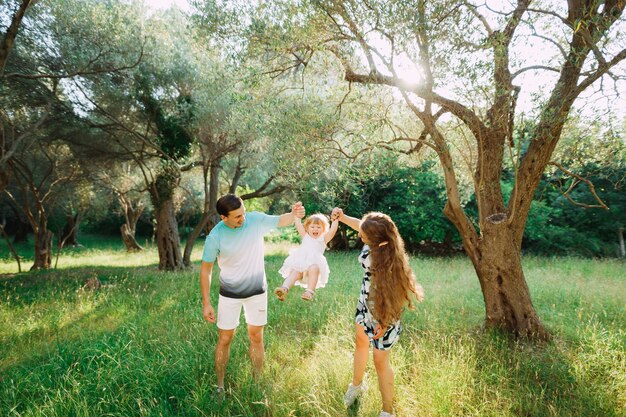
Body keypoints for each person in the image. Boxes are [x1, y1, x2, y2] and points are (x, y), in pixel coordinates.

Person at [199, 194, 305, 395]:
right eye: (237, 216)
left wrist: (295, 213)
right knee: (225, 338)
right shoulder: (215, 236)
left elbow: (283, 220)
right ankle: (219, 387)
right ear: (224, 217)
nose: (243, 218)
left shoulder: (255, 220)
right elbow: (206, 270)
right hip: (229, 294)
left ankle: (257, 385)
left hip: (257, 292)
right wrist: (206, 303)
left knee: (256, 336)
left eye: (244, 213)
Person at [332, 208, 424, 417]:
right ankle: (356, 386)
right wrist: (344, 217)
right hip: (365, 304)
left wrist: (384, 321)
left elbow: (393, 295)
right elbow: (362, 227)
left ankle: (387, 411)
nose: (359, 235)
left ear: (375, 239)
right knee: (361, 342)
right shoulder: (380, 241)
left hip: (385, 313)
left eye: (363, 234)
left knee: (380, 362)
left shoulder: (387, 260)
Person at [274, 213, 339, 301]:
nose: (315, 229)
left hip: (312, 268)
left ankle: (309, 292)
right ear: (307, 228)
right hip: (301, 265)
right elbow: (298, 224)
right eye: (312, 227)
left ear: (324, 229)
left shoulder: (323, 239)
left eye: (319, 227)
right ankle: (284, 288)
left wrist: (335, 220)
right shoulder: (305, 236)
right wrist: (297, 215)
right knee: (295, 272)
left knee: (314, 268)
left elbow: (332, 231)